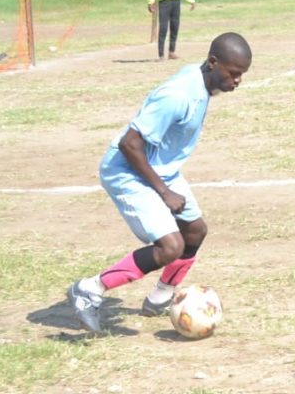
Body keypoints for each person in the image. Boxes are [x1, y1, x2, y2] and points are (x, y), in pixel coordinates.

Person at [68, 33, 252, 333]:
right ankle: (89, 289)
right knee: (170, 246)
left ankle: (161, 296)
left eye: (241, 75)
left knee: (194, 231)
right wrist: (163, 192)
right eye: (233, 73)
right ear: (213, 62)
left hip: (160, 169)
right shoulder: (178, 95)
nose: (237, 81)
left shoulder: (202, 79)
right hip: (127, 171)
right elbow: (130, 144)